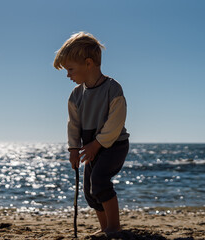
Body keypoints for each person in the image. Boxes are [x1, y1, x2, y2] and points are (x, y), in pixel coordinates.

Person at [53, 32, 130, 234]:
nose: (68, 75)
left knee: (100, 182)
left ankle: (114, 228)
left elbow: (115, 123)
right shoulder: (76, 95)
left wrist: (97, 144)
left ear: (88, 63)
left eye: (70, 69)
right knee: (89, 191)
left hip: (114, 145)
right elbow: (74, 125)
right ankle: (105, 228)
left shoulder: (113, 89)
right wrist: (73, 149)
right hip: (90, 147)